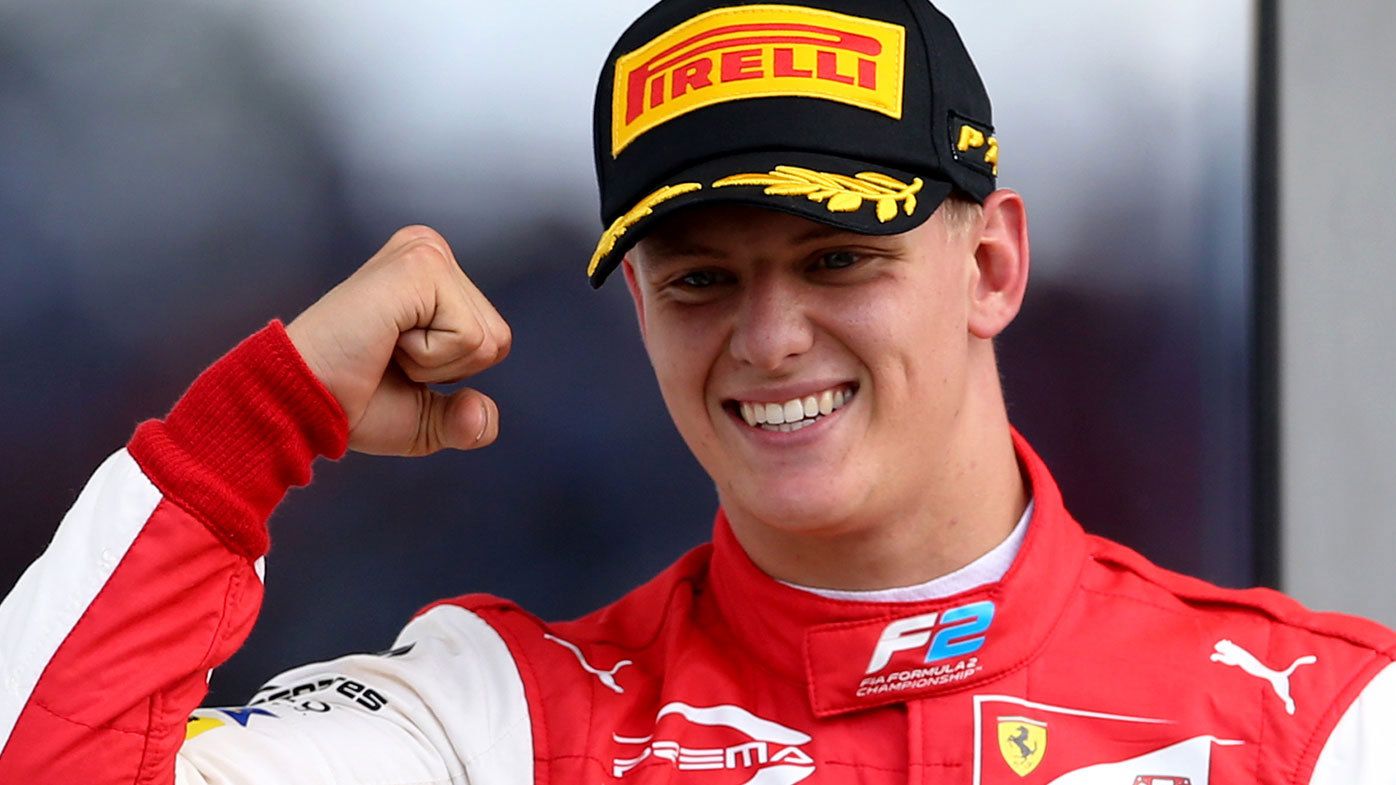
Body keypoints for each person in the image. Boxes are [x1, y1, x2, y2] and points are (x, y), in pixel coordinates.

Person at [0, 0, 1392, 783]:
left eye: (839, 255)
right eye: (701, 280)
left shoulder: (1316, 721)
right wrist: (259, 421)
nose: (771, 336)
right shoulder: (504, 723)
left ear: (992, 263)